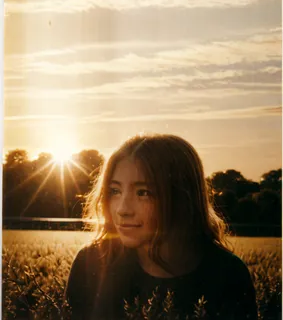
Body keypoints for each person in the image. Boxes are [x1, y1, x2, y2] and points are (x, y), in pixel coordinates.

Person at [65, 134, 258, 320]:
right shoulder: (90, 263)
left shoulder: (229, 275)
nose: (122, 209)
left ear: (182, 198)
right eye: (115, 191)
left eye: (143, 192)